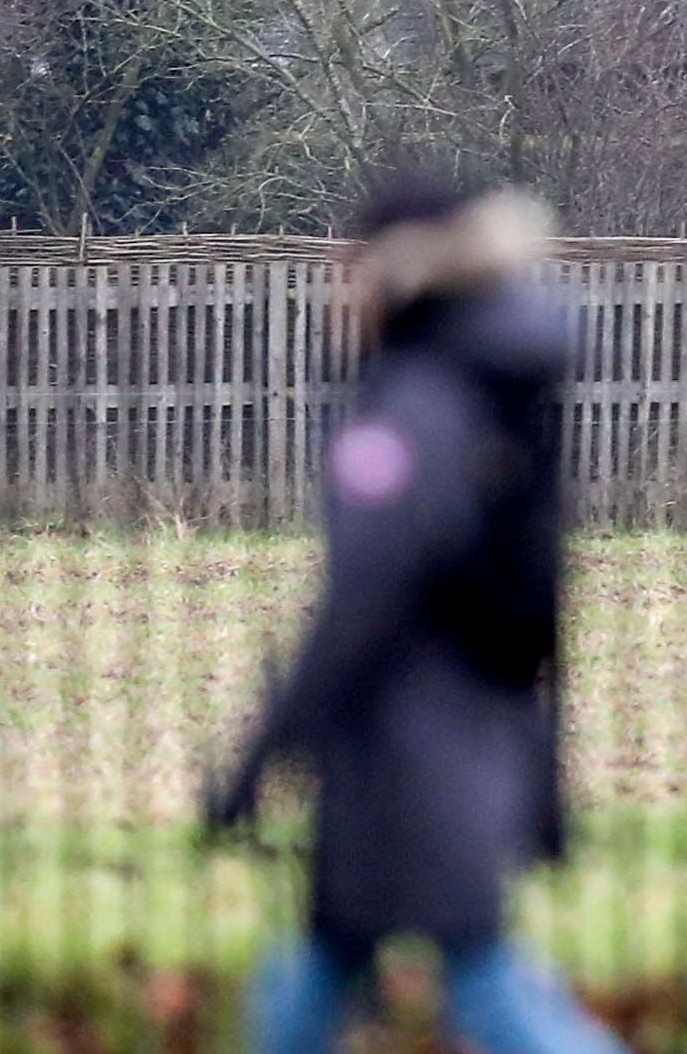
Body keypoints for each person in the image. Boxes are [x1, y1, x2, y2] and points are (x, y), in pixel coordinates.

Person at [205, 177, 619, 1054]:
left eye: (343, 265)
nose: (332, 287)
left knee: (480, 983)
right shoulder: (486, 392)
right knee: (330, 970)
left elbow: (363, 594)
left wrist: (265, 747)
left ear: (393, 273)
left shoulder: (413, 409)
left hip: (409, 751)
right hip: (462, 734)